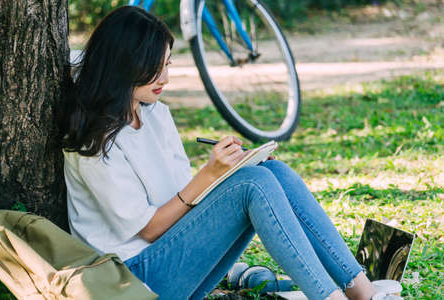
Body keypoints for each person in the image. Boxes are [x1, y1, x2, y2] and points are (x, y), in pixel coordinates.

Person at [60, 6, 381, 300]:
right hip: (134, 278)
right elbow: (149, 228)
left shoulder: (153, 113)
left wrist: (227, 171)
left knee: (272, 173)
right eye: (154, 69)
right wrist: (210, 175)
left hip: (173, 257)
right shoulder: (93, 142)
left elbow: (181, 198)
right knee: (252, 184)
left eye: (167, 65)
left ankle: (363, 293)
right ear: (124, 66)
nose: (166, 79)